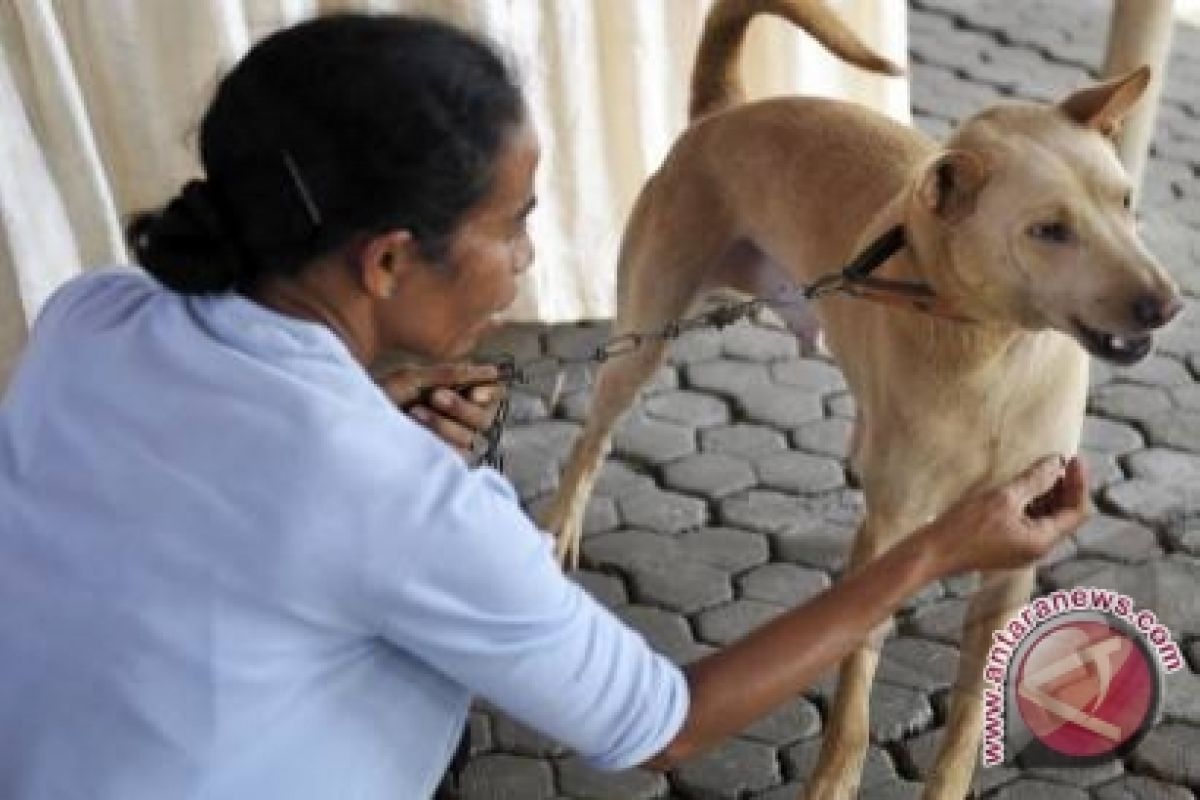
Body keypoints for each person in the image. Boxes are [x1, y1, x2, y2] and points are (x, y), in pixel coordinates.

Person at [0, 13, 1089, 800]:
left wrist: (373, 405)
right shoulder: (409, 501)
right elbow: (660, 723)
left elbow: (238, 470)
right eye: (516, 225)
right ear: (388, 259)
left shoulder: (89, 314)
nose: (528, 262)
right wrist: (933, 552)